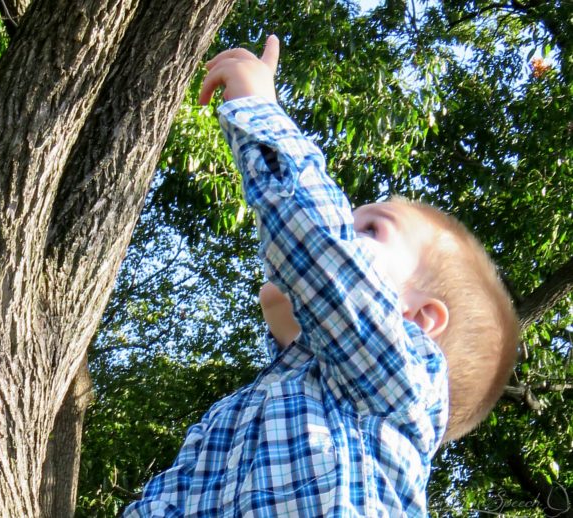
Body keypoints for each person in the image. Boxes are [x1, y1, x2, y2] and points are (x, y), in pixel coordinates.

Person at [123, 35, 519, 517]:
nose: (343, 231)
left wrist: (258, 110)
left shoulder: (401, 382)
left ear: (416, 320)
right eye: (346, 222)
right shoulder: (227, 420)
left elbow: (323, 253)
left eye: (369, 229)